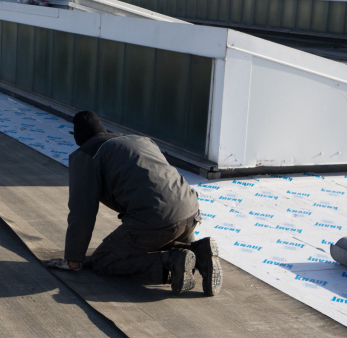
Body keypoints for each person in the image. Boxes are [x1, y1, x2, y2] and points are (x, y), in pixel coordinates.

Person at [53, 111, 221, 296]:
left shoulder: (87, 153)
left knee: (102, 261)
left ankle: (172, 261)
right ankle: (200, 253)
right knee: (160, 234)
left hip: (156, 220)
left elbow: (82, 210)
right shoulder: (139, 140)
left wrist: (74, 258)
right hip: (191, 211)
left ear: (79, 137)